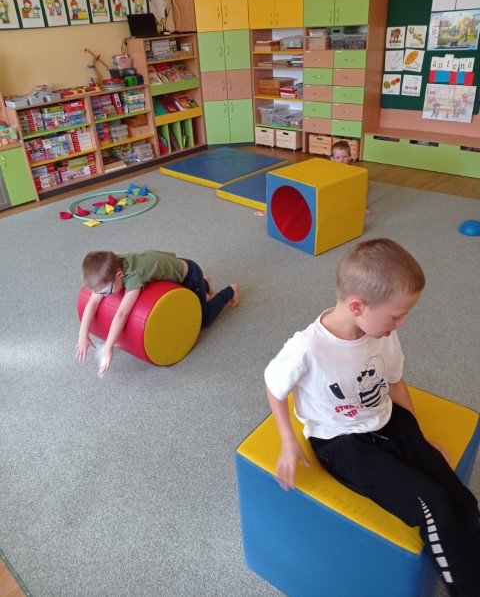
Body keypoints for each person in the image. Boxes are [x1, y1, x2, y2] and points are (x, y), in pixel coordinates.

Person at [265, 238, 480, 596]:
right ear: (357, 306)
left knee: (465, 503)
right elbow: (274, 386)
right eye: (396, 315)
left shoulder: (381, 332)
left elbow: (394, 382)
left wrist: (419, 440)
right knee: (433, 506)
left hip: (388, 419)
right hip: (339, 441)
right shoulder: (306, 347)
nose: (402, 322)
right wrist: (289, 442)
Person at [76, 250, 239, 373]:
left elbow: (122, 314)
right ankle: (204, 285)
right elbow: (92, 303)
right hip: (172, 271)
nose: (104, 296)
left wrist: (108, 347)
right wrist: (83, 335)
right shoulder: (112, 267)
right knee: (192, 299)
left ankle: (230, 292)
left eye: (106, 291)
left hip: (189, 276)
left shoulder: (133, 276)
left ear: (119, 275)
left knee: (203, 318)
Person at [331, 140, 372, 216]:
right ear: (332, 159)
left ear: (350, 157)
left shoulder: (353, 170)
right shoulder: (331, 171)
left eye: (344, 157)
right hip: (337, 194)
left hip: (349, 192)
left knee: (365, 185)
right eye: (338, 157)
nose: (341, 160)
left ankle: (361, 207)